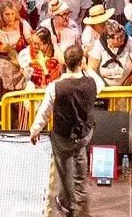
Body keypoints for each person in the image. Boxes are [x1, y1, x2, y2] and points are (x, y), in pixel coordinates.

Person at [28, 45, 98, 217]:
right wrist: (86, 67)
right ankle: (80, 195)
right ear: (82, 62)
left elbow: (44, 112)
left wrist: (35, 130)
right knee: (80, 154)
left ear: (64, 63)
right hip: (84, 135)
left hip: (63, 137)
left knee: (64, 168)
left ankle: (69, 204)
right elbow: (98, 82)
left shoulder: (55, 87)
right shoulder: (92, 82)